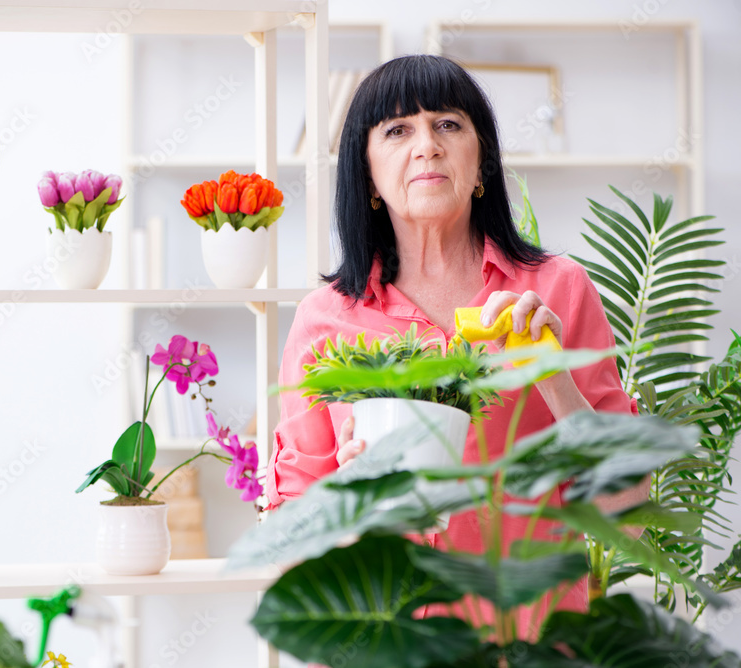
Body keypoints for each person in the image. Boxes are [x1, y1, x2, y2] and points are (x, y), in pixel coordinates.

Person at [266, 55, 640, 630]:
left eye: (448, 123)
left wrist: (554, 378)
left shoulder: (557, 291)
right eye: (397, 130)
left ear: (481, 157)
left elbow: (628, 513)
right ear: (366, 173)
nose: (427, 146)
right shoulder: (325, 319)